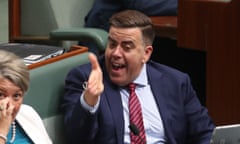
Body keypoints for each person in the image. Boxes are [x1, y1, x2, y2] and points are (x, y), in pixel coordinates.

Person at [62, 10, 215, 144]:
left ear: (146, 53)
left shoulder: (176, 82)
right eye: (112, 44)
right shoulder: (85, 78)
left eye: (126, 47)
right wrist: (89, 100)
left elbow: (204, 133)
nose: (116, 53)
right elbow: (75, 138)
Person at [0, 50, 52, 144]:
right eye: (0, 95)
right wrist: (2, 131)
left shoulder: (28, 113)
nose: (10, 105)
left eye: (16, 96)